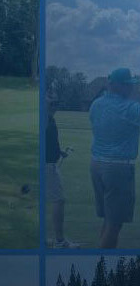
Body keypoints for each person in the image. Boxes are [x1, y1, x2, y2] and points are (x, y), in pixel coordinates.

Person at [89, 67, 140, 248]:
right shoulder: (131, 108)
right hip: (117, 168)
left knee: (109, 220)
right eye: (128, 85)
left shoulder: (96, 104)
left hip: (96, 164)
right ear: (117, 85)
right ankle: (100, 264)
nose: (132, 88)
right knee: (115, 224)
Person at [46, 89, 78, 248]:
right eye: (52, 103)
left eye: (56, 103)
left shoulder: (49, 118)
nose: (55, 106)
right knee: (58, 200)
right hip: (47, 166)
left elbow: (49, 142)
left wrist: (59, 152)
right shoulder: (45, 119)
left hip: (50, 163)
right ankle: (59, 241)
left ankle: (44, 239)